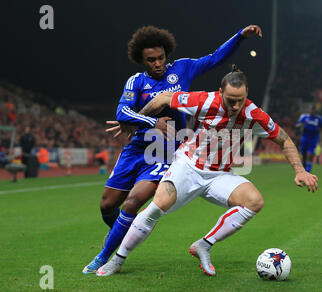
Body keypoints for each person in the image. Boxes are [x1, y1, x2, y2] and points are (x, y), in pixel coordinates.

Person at [96, 66, 318, 277]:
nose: (235, 106)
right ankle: (118, 259)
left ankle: (203, 245)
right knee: (157, 206)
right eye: (231, 100)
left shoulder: (254, 115)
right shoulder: (204, 101)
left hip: (220, 175)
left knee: (254, 201)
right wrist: (138, 122)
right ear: (221, 92)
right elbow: (163, 98)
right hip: (188, 166)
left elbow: (284, 139)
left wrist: (299, 171)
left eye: (240, 100)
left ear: (247, 93)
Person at [82, 25, 263, 274]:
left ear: (166, 54)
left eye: (160, 58)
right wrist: (150, 121)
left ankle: (104, 256)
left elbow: (215, 57)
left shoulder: (183, 68)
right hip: (136, 148)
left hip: (165, 150)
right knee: (107, 206)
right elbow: (121, 113)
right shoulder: (136, 81)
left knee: (134, 201)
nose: (157, 63)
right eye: (151, 60)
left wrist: (240, 37)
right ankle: (126, 233)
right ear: (141, 60)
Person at [296, 106, 322, 172]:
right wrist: (302, 125)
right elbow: (297, 125)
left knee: (310, 154)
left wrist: (317, 131)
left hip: (313, 138)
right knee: (303, 153)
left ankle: (308, 170)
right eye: (311, 110)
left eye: (313, 110)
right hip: (305, 137)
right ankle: (304, 166)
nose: (312, 111)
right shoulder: (304, 117)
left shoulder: (319, 118)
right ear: (309, 110)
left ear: (315, 111)